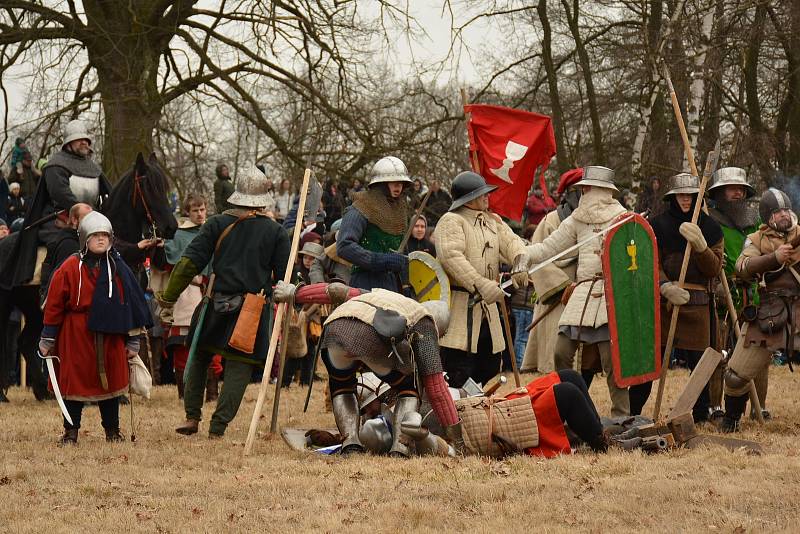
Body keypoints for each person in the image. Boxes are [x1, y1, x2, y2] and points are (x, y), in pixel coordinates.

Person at [158, 165, 290, 439]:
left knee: (199, 355)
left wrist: (168, 298)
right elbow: (285, 278)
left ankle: (192, 417)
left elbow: (187, 264)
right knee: (236, 366)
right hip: (252, 307)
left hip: (216, 301)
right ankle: (216, 428)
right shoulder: (275, 231)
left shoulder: (216, 223)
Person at [274, 280, 463, 456]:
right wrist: (457, 440)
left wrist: (293, 292)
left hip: (335, 331)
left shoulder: (384, 297)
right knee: (409, 389)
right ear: (439, 327)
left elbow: (335, 290)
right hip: (373, 340)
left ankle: (351, 443)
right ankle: (399, 447)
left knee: (342, 386)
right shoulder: (425, 322)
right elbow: (437, 389)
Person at [524, 166, 631, 417]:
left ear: (602, 190)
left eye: (587, 187)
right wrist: (524, 254)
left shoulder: (622, 218)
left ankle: (621, 415)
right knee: (561, 352)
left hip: (608, 294)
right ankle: (575, 410)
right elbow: (549, 247)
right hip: (582, 291)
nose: (583, 192)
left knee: (611, 361)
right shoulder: (577, 219)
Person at [38, 212, 152, 444]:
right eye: (95, 235)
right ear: (84, 239)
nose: (101, 239)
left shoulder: (119, 268)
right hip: (76, 335)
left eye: (104, 235)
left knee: (109, 384)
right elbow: (55, 304)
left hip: (111, 335)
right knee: (73, 384)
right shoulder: (70, 267)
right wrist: (48, 337)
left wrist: (133, 339)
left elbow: (131, 304)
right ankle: (71, 433)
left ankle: (112, 431)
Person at [628, 173, 724, 419]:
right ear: (673, 197)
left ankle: (701, 415)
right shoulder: (658, 225)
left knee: (699, 365)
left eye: (690, 195)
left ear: (697, 197)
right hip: (665, 304)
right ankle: (633, 412)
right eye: (681, 195)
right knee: (651, 364)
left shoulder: (711, 228)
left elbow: (714, 269)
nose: (685, 199)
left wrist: (702, 246)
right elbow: (652, 262)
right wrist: (664, 286)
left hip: (698, 304)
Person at [435, 171, 528, 387]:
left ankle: (477, 406)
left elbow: (512, 242)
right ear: (468, 198)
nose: (487, 197)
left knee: (489, 365)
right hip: (461, 306)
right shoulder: (451, 221)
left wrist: (520, 261)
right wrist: (481, 284)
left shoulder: (492, 221)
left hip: (488, 309)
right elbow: (451, 257)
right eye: (481, 194)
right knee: (458, 369)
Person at [720, 189, 800, 432]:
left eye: (786, 209)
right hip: (770, 311)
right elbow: (742, 267)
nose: (784, 215)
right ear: (767, 216)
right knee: (735, 376)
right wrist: (773, 258)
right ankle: (732, 419)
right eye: (777, 212)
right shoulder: (756, 239)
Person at [706, 167, 766, 419]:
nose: (738, 193)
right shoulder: (711, 222)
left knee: (759, 351)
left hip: (753, 294)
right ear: (720, 193)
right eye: (732, 188)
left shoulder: (757, 223)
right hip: (724, 293)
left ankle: (758, 406)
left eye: (741, 188)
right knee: (720, 353)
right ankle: (716, 407)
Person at [521, 168, 583, 375]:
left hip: (587, 295)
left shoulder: (593, 223)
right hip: (557, 299)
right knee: (554, 361)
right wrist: (564, 288)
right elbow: (538, 261)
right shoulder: (550, 222)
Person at [163, 194, 220, 401]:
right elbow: (172, 261)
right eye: (195, 210)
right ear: (187, 211)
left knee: (210, 344)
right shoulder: (179, 235)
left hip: (212, 291)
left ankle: (212, 393)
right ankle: (184, 393)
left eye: (202, 209)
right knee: (183, 345)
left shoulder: (213, 232)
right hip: (188, 292)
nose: (200, 214)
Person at [337, 157, 412, 292]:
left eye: (401, 182)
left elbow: (403, 255)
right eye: (393, 182)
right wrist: (380, 260)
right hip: (365, 282)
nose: (398, 186)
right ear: (381, 184)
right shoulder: (361, 208)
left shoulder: (400, 212)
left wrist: (406, 285)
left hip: (392, 284)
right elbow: (344, 246)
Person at [33, 119, 112, 246]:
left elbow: (110, 192)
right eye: (79, 139)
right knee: (66, 248)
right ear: (68, 143)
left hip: (90, 223)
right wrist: (79, 208)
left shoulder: (93, 167)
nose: (84, 142)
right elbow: (59, 192)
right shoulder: (56, 164)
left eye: (86, 139)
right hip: (58, 222)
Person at [39, 202, 93, 299]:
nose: (91, 222)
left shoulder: (79, 240)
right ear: (74, 220)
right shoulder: (69, 245)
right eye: (86, 218)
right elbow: (67, 283)